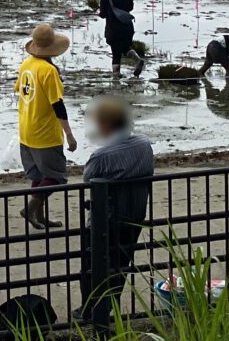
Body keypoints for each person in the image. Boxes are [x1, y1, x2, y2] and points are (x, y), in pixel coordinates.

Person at [74, 98, 154, 327]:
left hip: (105, 220)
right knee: (121, 263)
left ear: (107, 125)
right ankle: (112, 305)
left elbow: (88, 179)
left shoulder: (101, 156)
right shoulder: (143, 144)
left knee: (92, 266)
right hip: (135, 214)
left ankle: (90, 310)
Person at [16, 23, 77, 230]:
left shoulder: (27, 64)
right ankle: (31, 208)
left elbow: (20, 90)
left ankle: (39, 217)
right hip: (44, 134)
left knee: (39, 176)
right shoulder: (49, 71)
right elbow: (57, 105)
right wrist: (69, 135)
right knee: (57, 177)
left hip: (26, 129)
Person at [98, 0, 144, 77]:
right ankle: (137, 59)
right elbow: (130, 8)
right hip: (127, 27)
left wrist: (100, 13)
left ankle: (116, 74)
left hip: (113, 29)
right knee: (126, 48)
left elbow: (103, 14)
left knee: (115, 53)